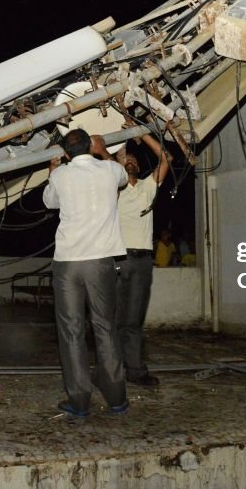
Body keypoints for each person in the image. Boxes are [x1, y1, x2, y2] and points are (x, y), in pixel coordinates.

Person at [43, 129, 129, 417]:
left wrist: (53, 170)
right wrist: (103, 151)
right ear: (90, 146)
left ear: (67, 153)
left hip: (68, 261)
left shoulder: (60, 175)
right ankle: (117, 398)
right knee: (105, 327)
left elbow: (49, 202)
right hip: (101, 260)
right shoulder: (110, 169)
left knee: (71, 331)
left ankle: (79, 401)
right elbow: (124, 178)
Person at [111, 133, 170, 386]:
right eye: (126, 160)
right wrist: (118, 151)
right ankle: (110, 372)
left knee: (133, 320)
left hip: (143, 261)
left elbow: (166, 158)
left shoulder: (147, 186)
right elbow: (112, 160)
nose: (131, 161)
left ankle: (135, 372)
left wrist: (142, 134)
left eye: (133, 159)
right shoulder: (112, 188)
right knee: (113, 320)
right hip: (118, 259)